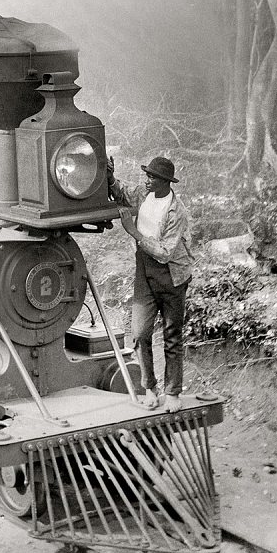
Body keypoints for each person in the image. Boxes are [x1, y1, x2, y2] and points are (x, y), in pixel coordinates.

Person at [107, 155, 195, 413]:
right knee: (140, 332)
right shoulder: (144, 194)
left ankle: (173, 393)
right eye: (147, 175)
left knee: (171, 335)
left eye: (153, 177)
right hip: (145, 270)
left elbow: (166, 252)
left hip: (171, 275)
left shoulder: (177, 211)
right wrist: (110, 177)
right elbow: (123, 192)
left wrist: (132, 232)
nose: (147, 180)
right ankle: (149, 388)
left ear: (166, 182)